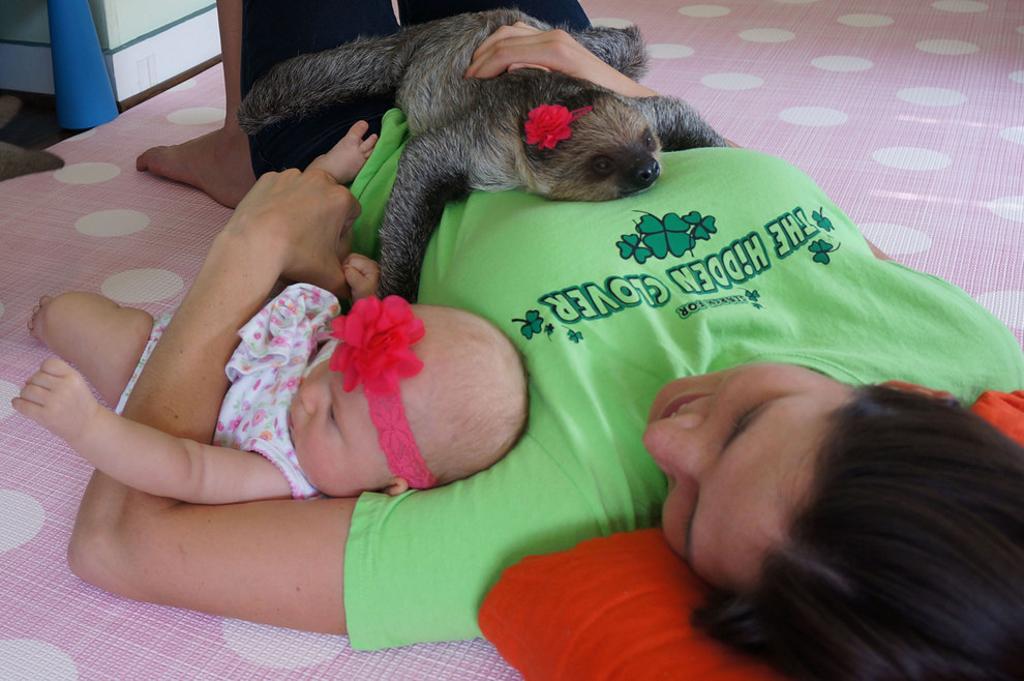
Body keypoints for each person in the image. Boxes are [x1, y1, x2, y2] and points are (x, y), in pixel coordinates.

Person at [57, 2, 1024, 680]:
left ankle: (245, 147)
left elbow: (124, 542)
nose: (666, 440)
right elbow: (758, 197)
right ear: (902, 398)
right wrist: (612, 94)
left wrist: (249, 247)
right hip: (577, 100)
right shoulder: (970, 355)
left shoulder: (554, 508)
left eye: (681, 520)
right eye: (745, 422)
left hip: (381, 135)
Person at [16, 126, 527, 504]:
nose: (308, 392)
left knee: (73, 315)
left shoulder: (281, 469)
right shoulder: (347, 396)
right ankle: (325, 174)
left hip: (158, 377)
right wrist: (366, 304)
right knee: (311, 247)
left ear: (389, 482)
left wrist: (88, 427)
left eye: (332, 418)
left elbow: (185, 468)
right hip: (221, 322)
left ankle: (49, 322)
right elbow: (341, 343)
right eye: (335, 365)